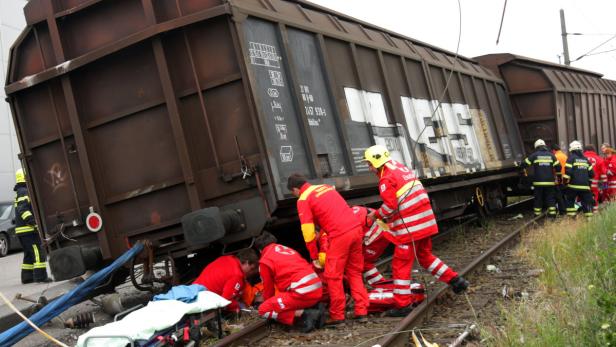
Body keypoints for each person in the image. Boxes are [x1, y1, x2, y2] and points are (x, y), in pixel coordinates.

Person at [363, 145, 468, 317]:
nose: (369, 168)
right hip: (425, 222)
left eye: (369, 164)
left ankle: (402, 305)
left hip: (410, 227)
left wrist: (376, 216)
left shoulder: (386, 179)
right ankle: (456, 280)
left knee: (400, 265)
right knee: (425, 257)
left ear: (376, 161)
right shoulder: (399, 167)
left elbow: (390, 207)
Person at [288, 173, 368, 324]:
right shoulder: (325, 187)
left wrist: (314, 256)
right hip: (356, 229)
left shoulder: (303, 199)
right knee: (354, 272)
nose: (295, 196)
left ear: (295, 189)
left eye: (293, 193)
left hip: (340, 235)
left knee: (332, 276)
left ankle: (337, 315)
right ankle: (362, 310)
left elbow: (308, 232)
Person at [254, 231, 325, 332]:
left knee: (263, 309)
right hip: (317, 288)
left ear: (260, 250)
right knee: (285, 298)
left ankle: (304, 316)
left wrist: (270, 304)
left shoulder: (265, 261)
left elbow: (268, 290)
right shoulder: (287, 250)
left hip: (303, 293)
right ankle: (314, 307)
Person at [13, 169, 50, 284]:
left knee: (29, 254)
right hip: (28, 230)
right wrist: (32, 221)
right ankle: (41, 277)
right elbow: (22, 208)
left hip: (22, 231)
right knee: (38, 251)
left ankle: (27, 277)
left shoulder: (20, 191)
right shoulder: (24, 192)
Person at [193, 249, 259, 313]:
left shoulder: (227, 258)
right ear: (247, 263)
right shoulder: (237, 275)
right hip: (201, 302)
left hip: (192, 291)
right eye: (252, 269)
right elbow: (226, 301)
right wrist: (241, 307)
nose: (251, 273)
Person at [520, 139, 561, 217]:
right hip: (550, 182)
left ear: (536, 147)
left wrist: (519, 165)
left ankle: (537, 215)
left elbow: (524, 164)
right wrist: (558, 176)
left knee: (538, 199)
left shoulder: (534, 155)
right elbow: (558, 167)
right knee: (550, 199)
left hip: (538, 183)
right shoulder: (551, 155)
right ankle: (552, 215)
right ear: (545, 146)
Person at [563, 141, 594, 217]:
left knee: (570, 201)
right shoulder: (586, 160)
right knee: (587, 203)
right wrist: (588, 185)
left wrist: (564, 183)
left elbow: (567, 173)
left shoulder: (571, 158)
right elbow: (592, 174)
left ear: (572, 150)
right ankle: (589, 219)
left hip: (573, 186)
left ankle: (572, 217)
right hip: (585, 187)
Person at [583, 144, 606, 212]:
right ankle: (594, 214)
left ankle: (586, 213)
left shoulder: (581, 158)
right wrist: (604, 187)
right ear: (593, 150)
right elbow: (603, 175)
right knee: (594, 199)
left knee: (584, 199)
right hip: (594, 184)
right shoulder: (599, 159)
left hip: (583, 183)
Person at [551, 143, 568, 215]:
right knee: (564, 195)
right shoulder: (565, 156)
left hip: (559, 179)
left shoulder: (555, 156)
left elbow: (554, 169)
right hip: (565, 179)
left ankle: (562, 211)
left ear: (554, 150)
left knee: (559, 196)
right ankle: (566, 208)